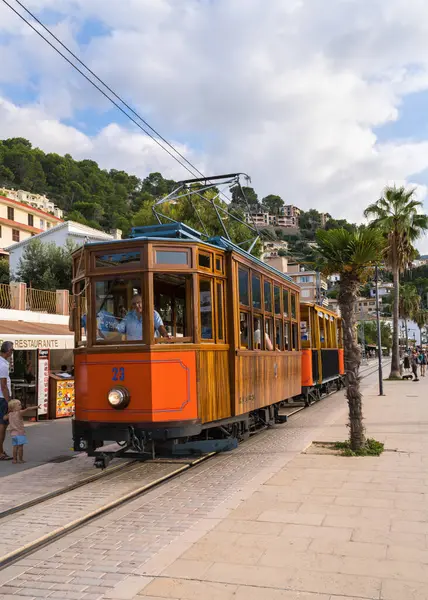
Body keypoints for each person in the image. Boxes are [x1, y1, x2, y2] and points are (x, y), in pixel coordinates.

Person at [3, 399, 39, 463]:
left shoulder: (10, 414)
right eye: (19, 405)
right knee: (20, 447)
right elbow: (28, 409)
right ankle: (20, 459)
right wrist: (36, 407)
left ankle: (14, 460)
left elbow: (4, 418)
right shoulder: (19, 413)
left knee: (15, 447)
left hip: (13, 434)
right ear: (14, 407)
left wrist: (8, 413)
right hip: (20, 433)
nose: (21, 406)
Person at [0, 341, 13, 461]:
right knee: (2, 426)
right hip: (2, 398)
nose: (12, 352)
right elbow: (3, 385)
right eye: (12, 350)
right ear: (8, 351)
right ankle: (0, 452)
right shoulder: (3, 365)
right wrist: (8, 401)